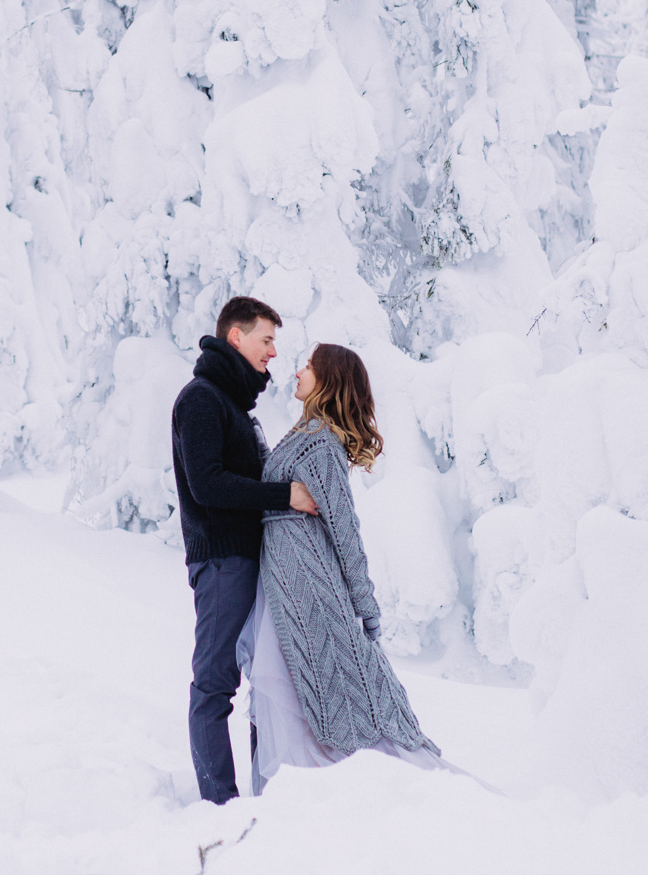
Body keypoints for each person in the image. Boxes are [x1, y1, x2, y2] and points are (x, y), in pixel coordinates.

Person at [239, 342, 444, 795]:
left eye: (308, 367)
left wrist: (365, 608)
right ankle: (295, 799)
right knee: (293, 694)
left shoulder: (319, 446)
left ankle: (329, 795)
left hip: (310, 592)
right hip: (287, 588)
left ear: (328, 379)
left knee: (317, 694)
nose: (297, 372)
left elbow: (345, 531)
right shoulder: (305, 435)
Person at [171, 296, 320, 805]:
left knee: (267, 679)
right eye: (266, 340)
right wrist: (287, 496)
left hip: (249, 561)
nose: (274, 352)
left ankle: (265, 796)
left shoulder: (233, 405)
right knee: (214, 683)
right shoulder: (201, 399)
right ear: (236, 337)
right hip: (222, 562)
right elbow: (208, 484)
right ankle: (219, 805)